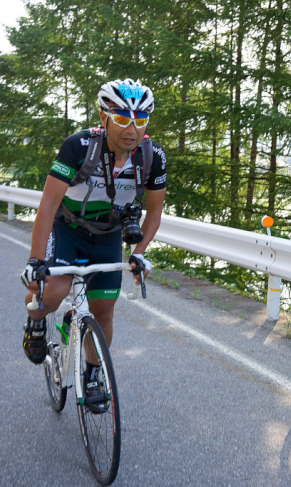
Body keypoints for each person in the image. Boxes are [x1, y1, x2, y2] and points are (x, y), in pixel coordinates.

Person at [20, 78, 166, 411]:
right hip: (68, 228)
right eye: (122, 119)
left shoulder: (152, 156)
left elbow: (154, 214)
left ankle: (94, 376)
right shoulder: (78, 146)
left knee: (103, 312)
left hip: (108, 235)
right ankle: (36, 321)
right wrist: (35, 259)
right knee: (51, 293)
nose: (132, 129)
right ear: (104, 118)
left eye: (141, 120)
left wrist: (138, 254)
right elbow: (48, 206)